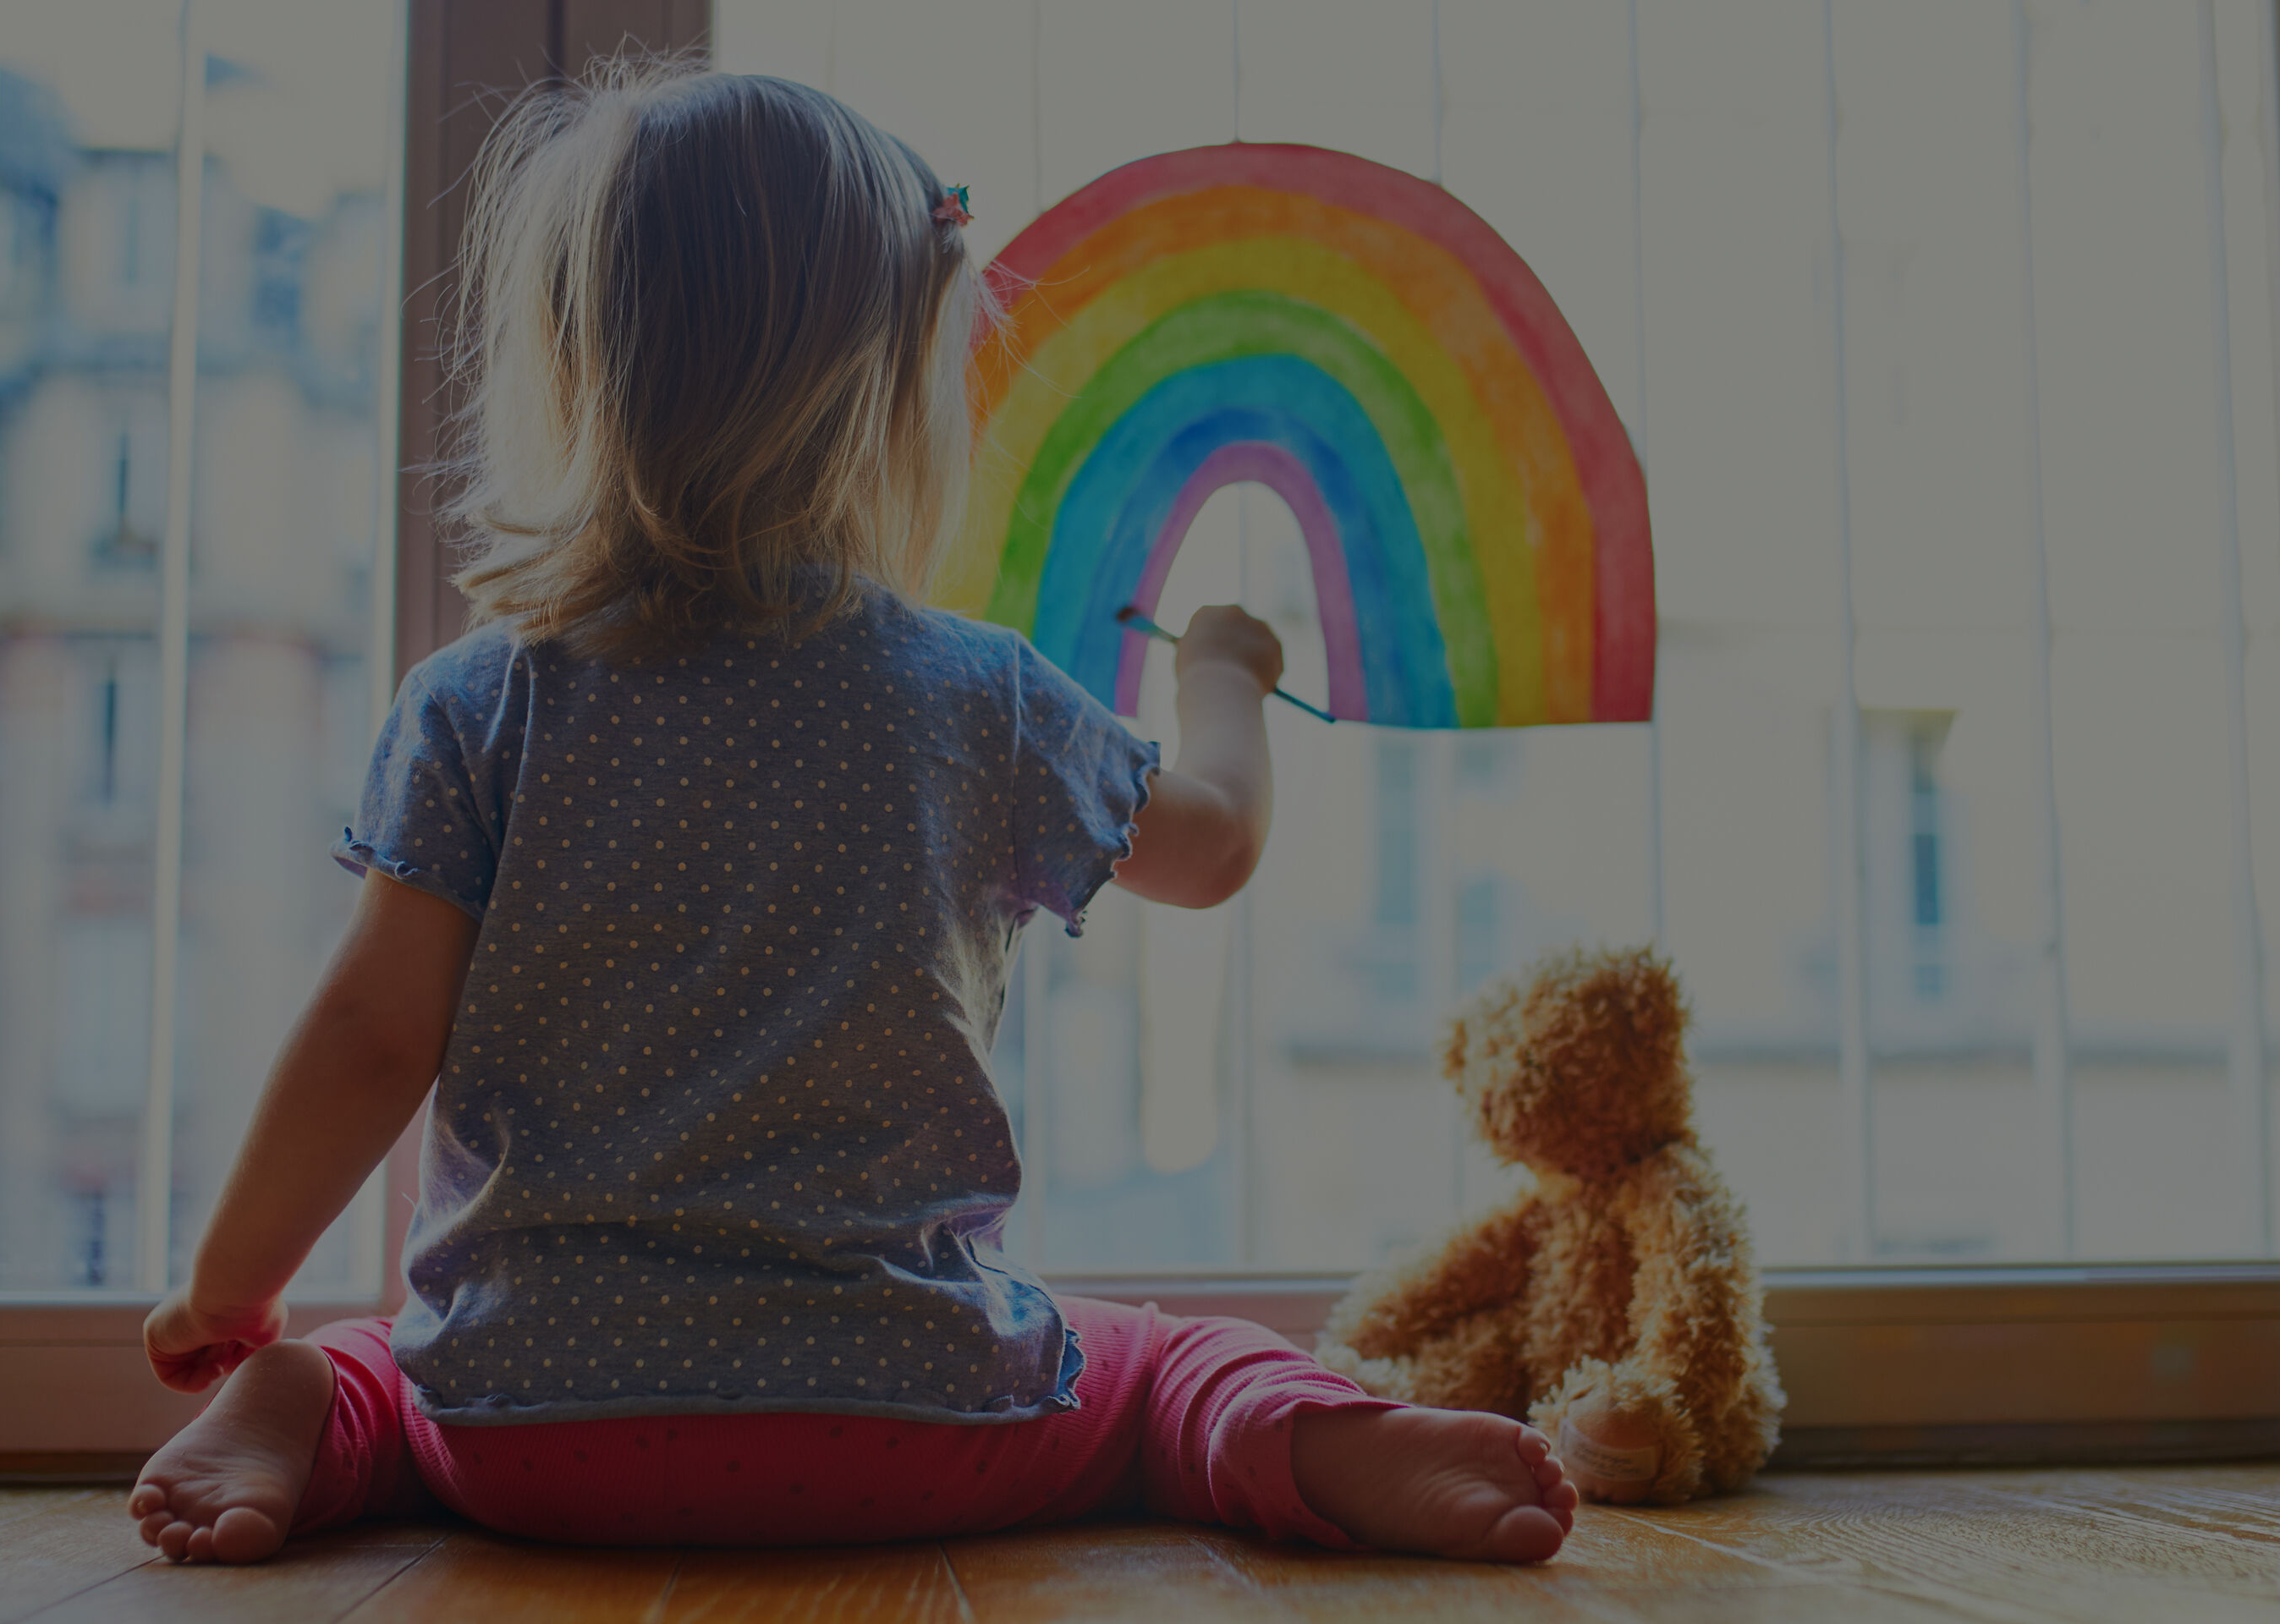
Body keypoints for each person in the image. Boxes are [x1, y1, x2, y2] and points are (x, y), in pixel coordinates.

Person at [126, 63, 1579, 1566]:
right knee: (1154, 1369)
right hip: (911, 1416)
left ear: (573, 365)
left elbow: (370, 1033)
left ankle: (299, 1404)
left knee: (382, 1358)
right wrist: (1222, 670)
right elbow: (1211, 844)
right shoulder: (976, 696)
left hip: (536, 1428)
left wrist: (230, 1294)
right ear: (895, 399)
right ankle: (1307, 1435)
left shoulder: (479, 701)